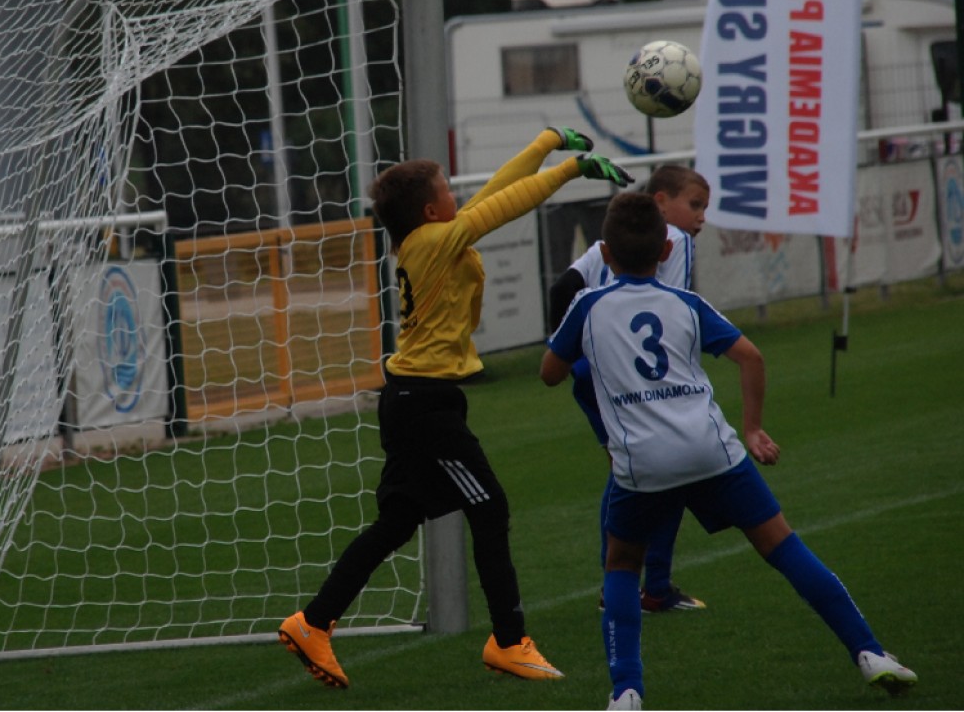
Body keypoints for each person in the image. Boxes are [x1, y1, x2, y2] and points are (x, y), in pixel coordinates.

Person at [277, 127, 632, 689]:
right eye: (446, 189)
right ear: (429, 209)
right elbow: (503, 206)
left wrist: (545, 144)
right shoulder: (431, 242)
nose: (456, 195)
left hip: (416, 398)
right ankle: (509, 641)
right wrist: (570, 170)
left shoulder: (430, 238)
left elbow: (494, 194)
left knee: (397, 522)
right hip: (424, 406)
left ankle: (312, 622)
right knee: (489, 506)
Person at [540, 192, 917, 710]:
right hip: (710, 449)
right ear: (665, 251)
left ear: (605, 254)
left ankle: (626, 691)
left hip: (643, 462)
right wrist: (754, 428)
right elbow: (750, 356)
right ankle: (869, 652)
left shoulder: (588, 306)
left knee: (623, 564)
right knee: (783, 546)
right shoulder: (686, 304)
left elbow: (550, 373)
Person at [548, 165, 710, 613]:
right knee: (663, 472)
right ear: (661, 202)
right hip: (636, 377)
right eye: (695, 204)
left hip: (594, 372)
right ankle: (645, 587)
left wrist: (572, 357)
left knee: (631, 472)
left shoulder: (609, 241)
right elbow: (668, 312)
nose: (701, 216)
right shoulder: (675, 241)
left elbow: (563, 288)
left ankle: (635, 585)